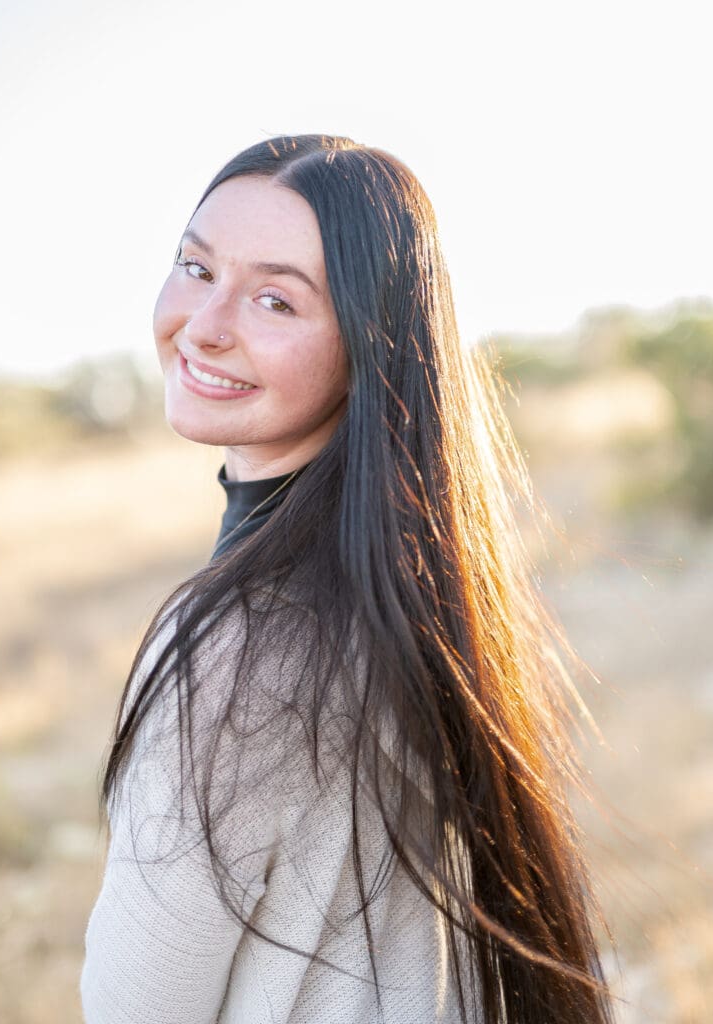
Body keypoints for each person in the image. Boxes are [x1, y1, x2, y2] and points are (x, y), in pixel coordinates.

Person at [81, 134, 616, 1024]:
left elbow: (136, 1007)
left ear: (369, 341)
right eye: (196, 267)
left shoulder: (234, 652)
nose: (205, 325)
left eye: (275, 300)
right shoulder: (415, 589)